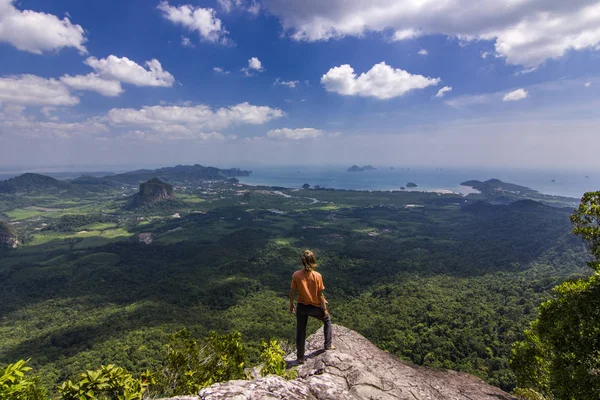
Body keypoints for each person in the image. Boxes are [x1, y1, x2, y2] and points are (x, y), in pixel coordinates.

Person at [289, 249, 334, 364]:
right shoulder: (317, 276)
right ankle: (328, 346)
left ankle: (300, 357)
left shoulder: (296, 275)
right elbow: (320, 295)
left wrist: (291, 304)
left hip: (302, 306)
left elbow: (292, 292)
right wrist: (324, 309)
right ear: (313, 261)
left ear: (303, 262)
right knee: (327, 320)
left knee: (301, 331)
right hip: (315, 307)